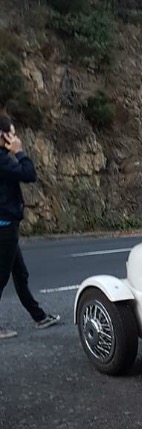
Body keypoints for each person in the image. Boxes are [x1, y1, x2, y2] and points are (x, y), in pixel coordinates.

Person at [0, 115, 60, 339]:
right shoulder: (2, 160)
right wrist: (20, 152)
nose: (15, 138)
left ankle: (39, 316)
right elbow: (29, 174)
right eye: (12, 134)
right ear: (2, 135)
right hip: (5, 225)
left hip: (6, 224)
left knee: (20, 273)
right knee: (2, 276)